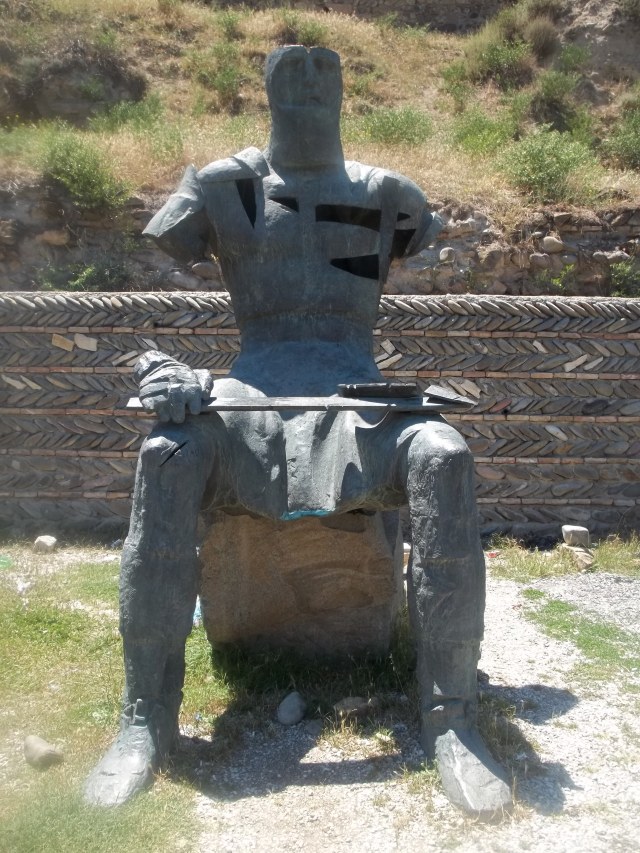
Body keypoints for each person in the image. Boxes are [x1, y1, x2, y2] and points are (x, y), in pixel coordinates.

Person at [84, 46, 511, 816]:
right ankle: (145, 718)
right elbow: (168, 244)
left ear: (345, 94)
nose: (310, 89)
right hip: (253, 390)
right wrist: (165, 373)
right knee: (167, 453)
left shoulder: (387, 195)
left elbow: (418, 235)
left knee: (444, 453)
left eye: (324, 82)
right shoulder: (223, 185)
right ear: (268, 95)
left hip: (357, 394)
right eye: (294, 82)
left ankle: (453, 720)